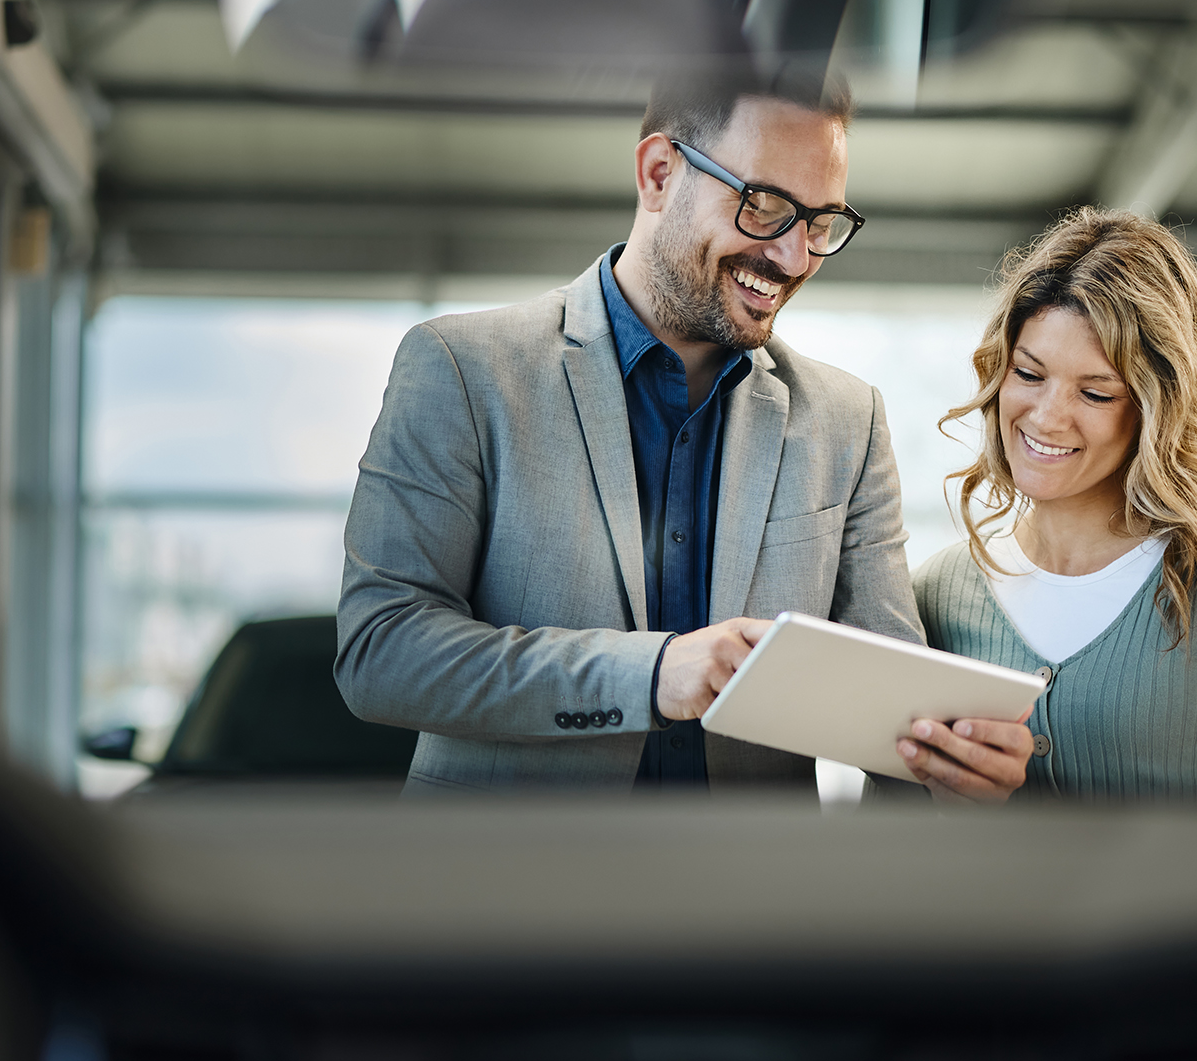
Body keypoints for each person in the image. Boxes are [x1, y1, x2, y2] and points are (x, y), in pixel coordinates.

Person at [337, 65, 1032, 801]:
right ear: (659, 174)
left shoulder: (846, 422)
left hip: (746, 903)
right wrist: (654, 673)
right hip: (506, 896)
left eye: (821, 222)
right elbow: (381, 652)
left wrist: (950, 760)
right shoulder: (463, 371)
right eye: (764, 205)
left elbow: (894, 716)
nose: (793, 257)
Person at [912, 208, 1197, 810]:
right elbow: (890, 829)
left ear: (1153, 407)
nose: (1048, 416)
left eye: (1095, 392)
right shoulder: (937, 592)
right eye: (1029, 373)